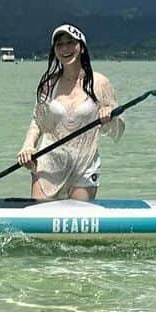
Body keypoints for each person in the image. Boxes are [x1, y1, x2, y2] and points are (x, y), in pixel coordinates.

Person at [16, 24, 124, 200]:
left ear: (81, 47)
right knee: (41, 223)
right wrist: (28, 146)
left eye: (70, 43)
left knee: (77, 225)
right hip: (49, 162)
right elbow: (37, 122)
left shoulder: (100, 82)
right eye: (59, 45)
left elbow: (118, 125)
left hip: (85, 166)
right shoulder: (48, 85)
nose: (65, 49)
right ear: (55, 50)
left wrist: (109, 114)